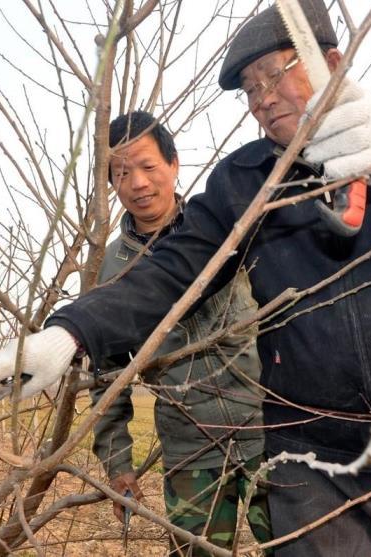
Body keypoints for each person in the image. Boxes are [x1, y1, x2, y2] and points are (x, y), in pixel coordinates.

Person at [0, 2, 371, 555]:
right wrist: (70, 333)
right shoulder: (246, 180)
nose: (264, 98)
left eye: (277, 72)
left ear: (333, 62)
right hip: (309, 464)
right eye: (250, 87)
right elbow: (172, 268)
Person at [89, 111, 270, 554]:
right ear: (110, 184)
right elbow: (106, 378)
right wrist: (118, 465)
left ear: (173, 164)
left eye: (148, 166)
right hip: (191, 450)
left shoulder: (232, 232)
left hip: (271, 430)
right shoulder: (112, 272)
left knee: (302, 546)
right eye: (121, 173)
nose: (137, 183)